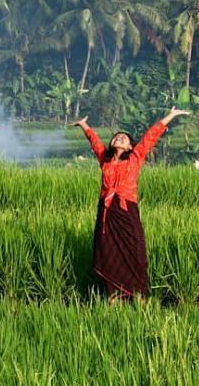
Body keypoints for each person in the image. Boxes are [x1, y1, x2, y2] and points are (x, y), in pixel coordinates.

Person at [72, 107, 190, 302]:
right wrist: (84, 125)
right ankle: (113, 298)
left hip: (127, 212)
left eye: (123, 138)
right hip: (107, 213)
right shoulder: (105, 159)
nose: (118, 139)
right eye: (116, 137)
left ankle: (140, 298)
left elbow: (150, 137)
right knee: (109, 254)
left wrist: (171, 115)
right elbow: (95, 143)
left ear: (129, 146)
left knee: (137, 253)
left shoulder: (135, 158)